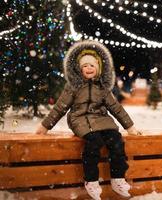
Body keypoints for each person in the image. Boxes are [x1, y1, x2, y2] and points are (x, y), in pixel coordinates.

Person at [35, 40, 141, 200]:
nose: (89, 68)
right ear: (79, 68)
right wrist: (45, 126)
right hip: (80, 119)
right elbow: (60, 107)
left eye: (92, 65)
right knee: (94, 142)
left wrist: (130, 127)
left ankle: (117, 178)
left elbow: (116, 107)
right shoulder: (73, 86)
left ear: (98, 68)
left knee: (116, 139)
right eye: (85, 66)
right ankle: (91, 180)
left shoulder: (103, 88)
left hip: (101, 119)